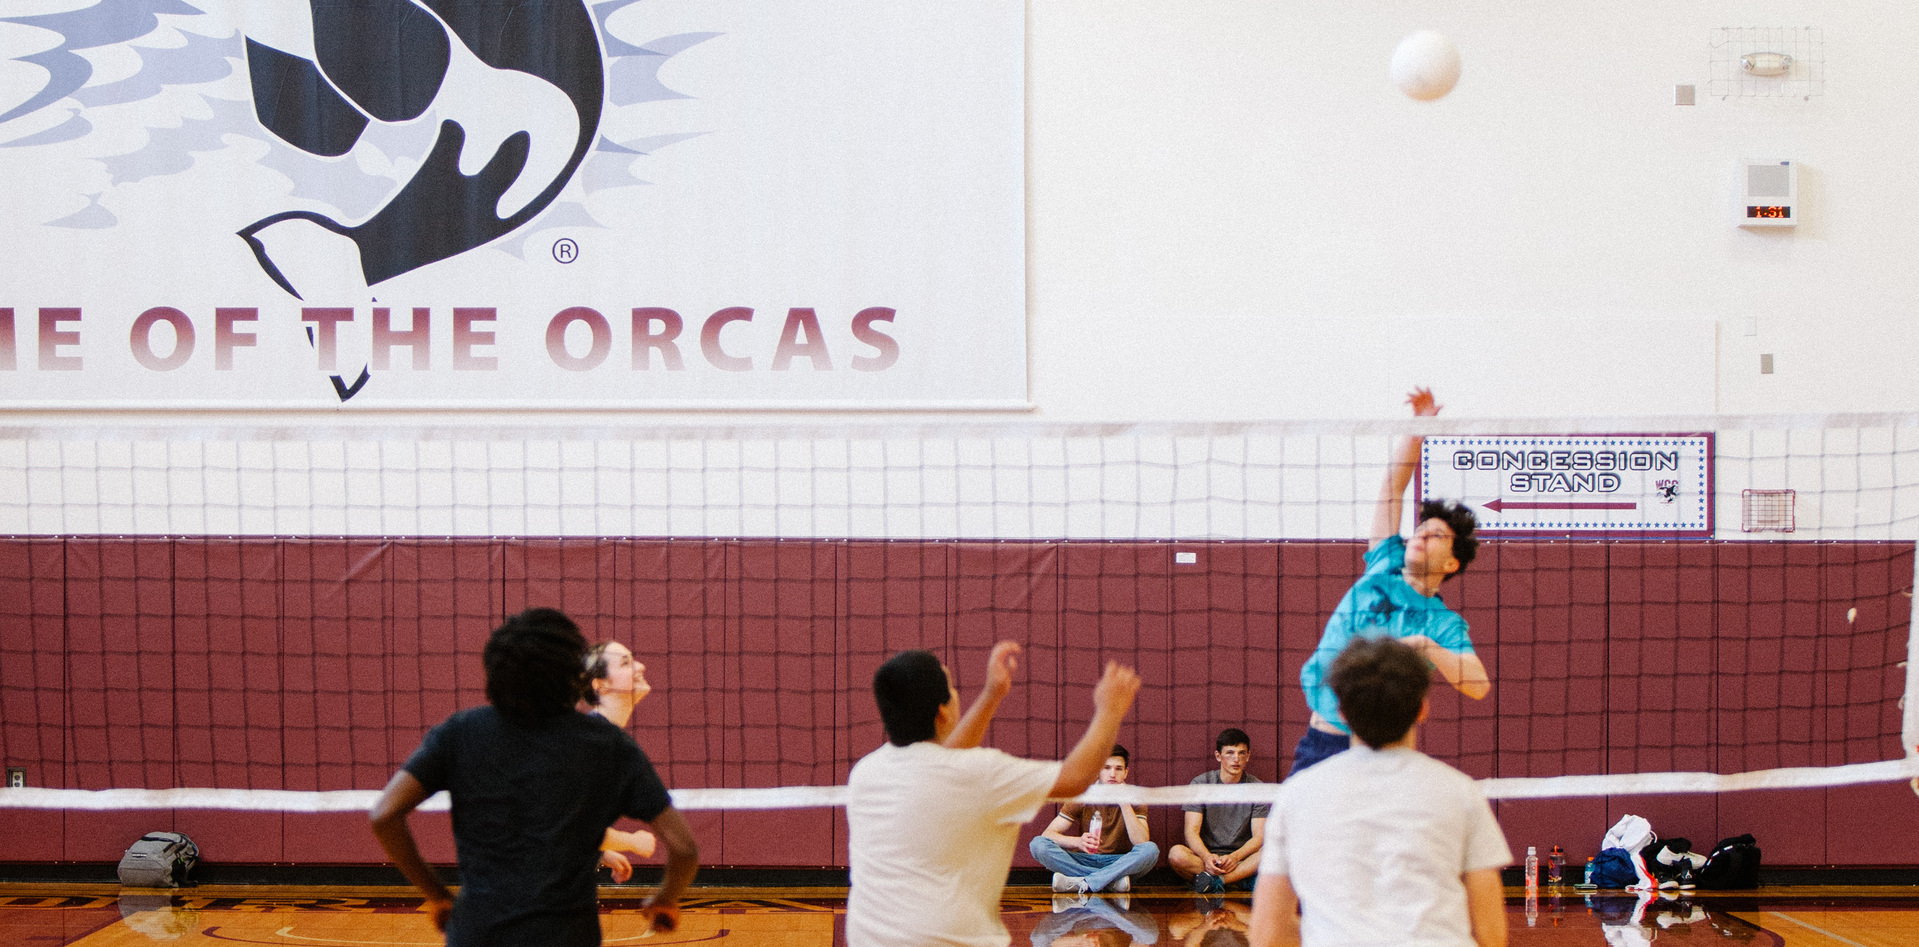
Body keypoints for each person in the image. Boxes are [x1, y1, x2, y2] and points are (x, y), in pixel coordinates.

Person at [370, 608, 699, 945]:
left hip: (478, 932)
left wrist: (435, 893)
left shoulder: (459, 733)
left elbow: (384, 816)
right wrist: (665, 899)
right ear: (575, 674)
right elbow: (685, 848)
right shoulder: (608, 746)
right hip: (567, 936)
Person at [845, 643, 1141, 947]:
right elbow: (1077, 778)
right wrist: (1110, 710)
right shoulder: (982, 774)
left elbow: (941, 761)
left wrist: (991, 695)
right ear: (943, 713)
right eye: (952, 688)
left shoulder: (865, 773)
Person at [1249, 636, 1510, 947]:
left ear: (1341, 712)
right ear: (1423, 709)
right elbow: (1492, 934)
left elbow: (1266, 935)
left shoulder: (1297, 794)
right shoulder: (1461, 792)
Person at [1290, 386, 1489, 777]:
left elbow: (1478, 685)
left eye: (1436, 535)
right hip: (1323, 744)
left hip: (1386, 757)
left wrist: (1427, 647)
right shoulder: (1385, 562)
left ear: (1451, 562)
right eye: (1421, 529)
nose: (1421, 535)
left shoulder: (1442, 624)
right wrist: (1418, 428)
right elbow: (1392, 488)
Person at [1030, 744, 1159, 895]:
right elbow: (1048, 834)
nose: (1112, 774)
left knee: (1151, 850)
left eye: (1118, 769)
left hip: (1119, 861)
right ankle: (1110, 881)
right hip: (1084, 859)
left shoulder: (1136, 798)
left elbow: (1141, 842)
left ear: (1126, 772)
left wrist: (1124, 802)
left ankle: (1084, 882)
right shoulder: (1083, 795)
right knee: (1038, 844)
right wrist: (1077, 842)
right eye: (1106, 768)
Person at [583, 641, 657, 878]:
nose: (640, 666)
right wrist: (632, 841)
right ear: (601, 685)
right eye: (626, 663)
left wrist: (602, 851)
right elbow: (574, 827)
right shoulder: (594, 743)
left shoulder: (603, 736)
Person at [1168, 729, 1268, 894]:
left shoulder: (1257, 788)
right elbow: (1191, 832)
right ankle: (1238, 879)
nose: (1236, 759)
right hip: (1207, 858)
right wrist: (1207, 857)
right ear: (1218, 756)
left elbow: (1259, 837)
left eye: (1241, 753)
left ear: (1248, 756)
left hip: (1241, 858)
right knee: (1176, 854)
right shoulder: (1201, 784)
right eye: (1230, 753)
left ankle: (1216, 882)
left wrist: (1235, 857)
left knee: (1270, 852)